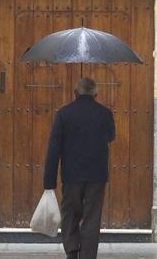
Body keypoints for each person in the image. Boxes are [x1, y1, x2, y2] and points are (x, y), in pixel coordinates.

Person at [43, 77, 116, 259]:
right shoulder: (105, 113)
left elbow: (54, 147)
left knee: (70, 214)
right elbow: (111, 137)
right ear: (95, 94)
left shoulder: (64, 114)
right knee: (92, 217)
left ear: (75, 93)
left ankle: (72, 251)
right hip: (96, 175)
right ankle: (88, 255)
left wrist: (49, 180)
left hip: (71, 175)